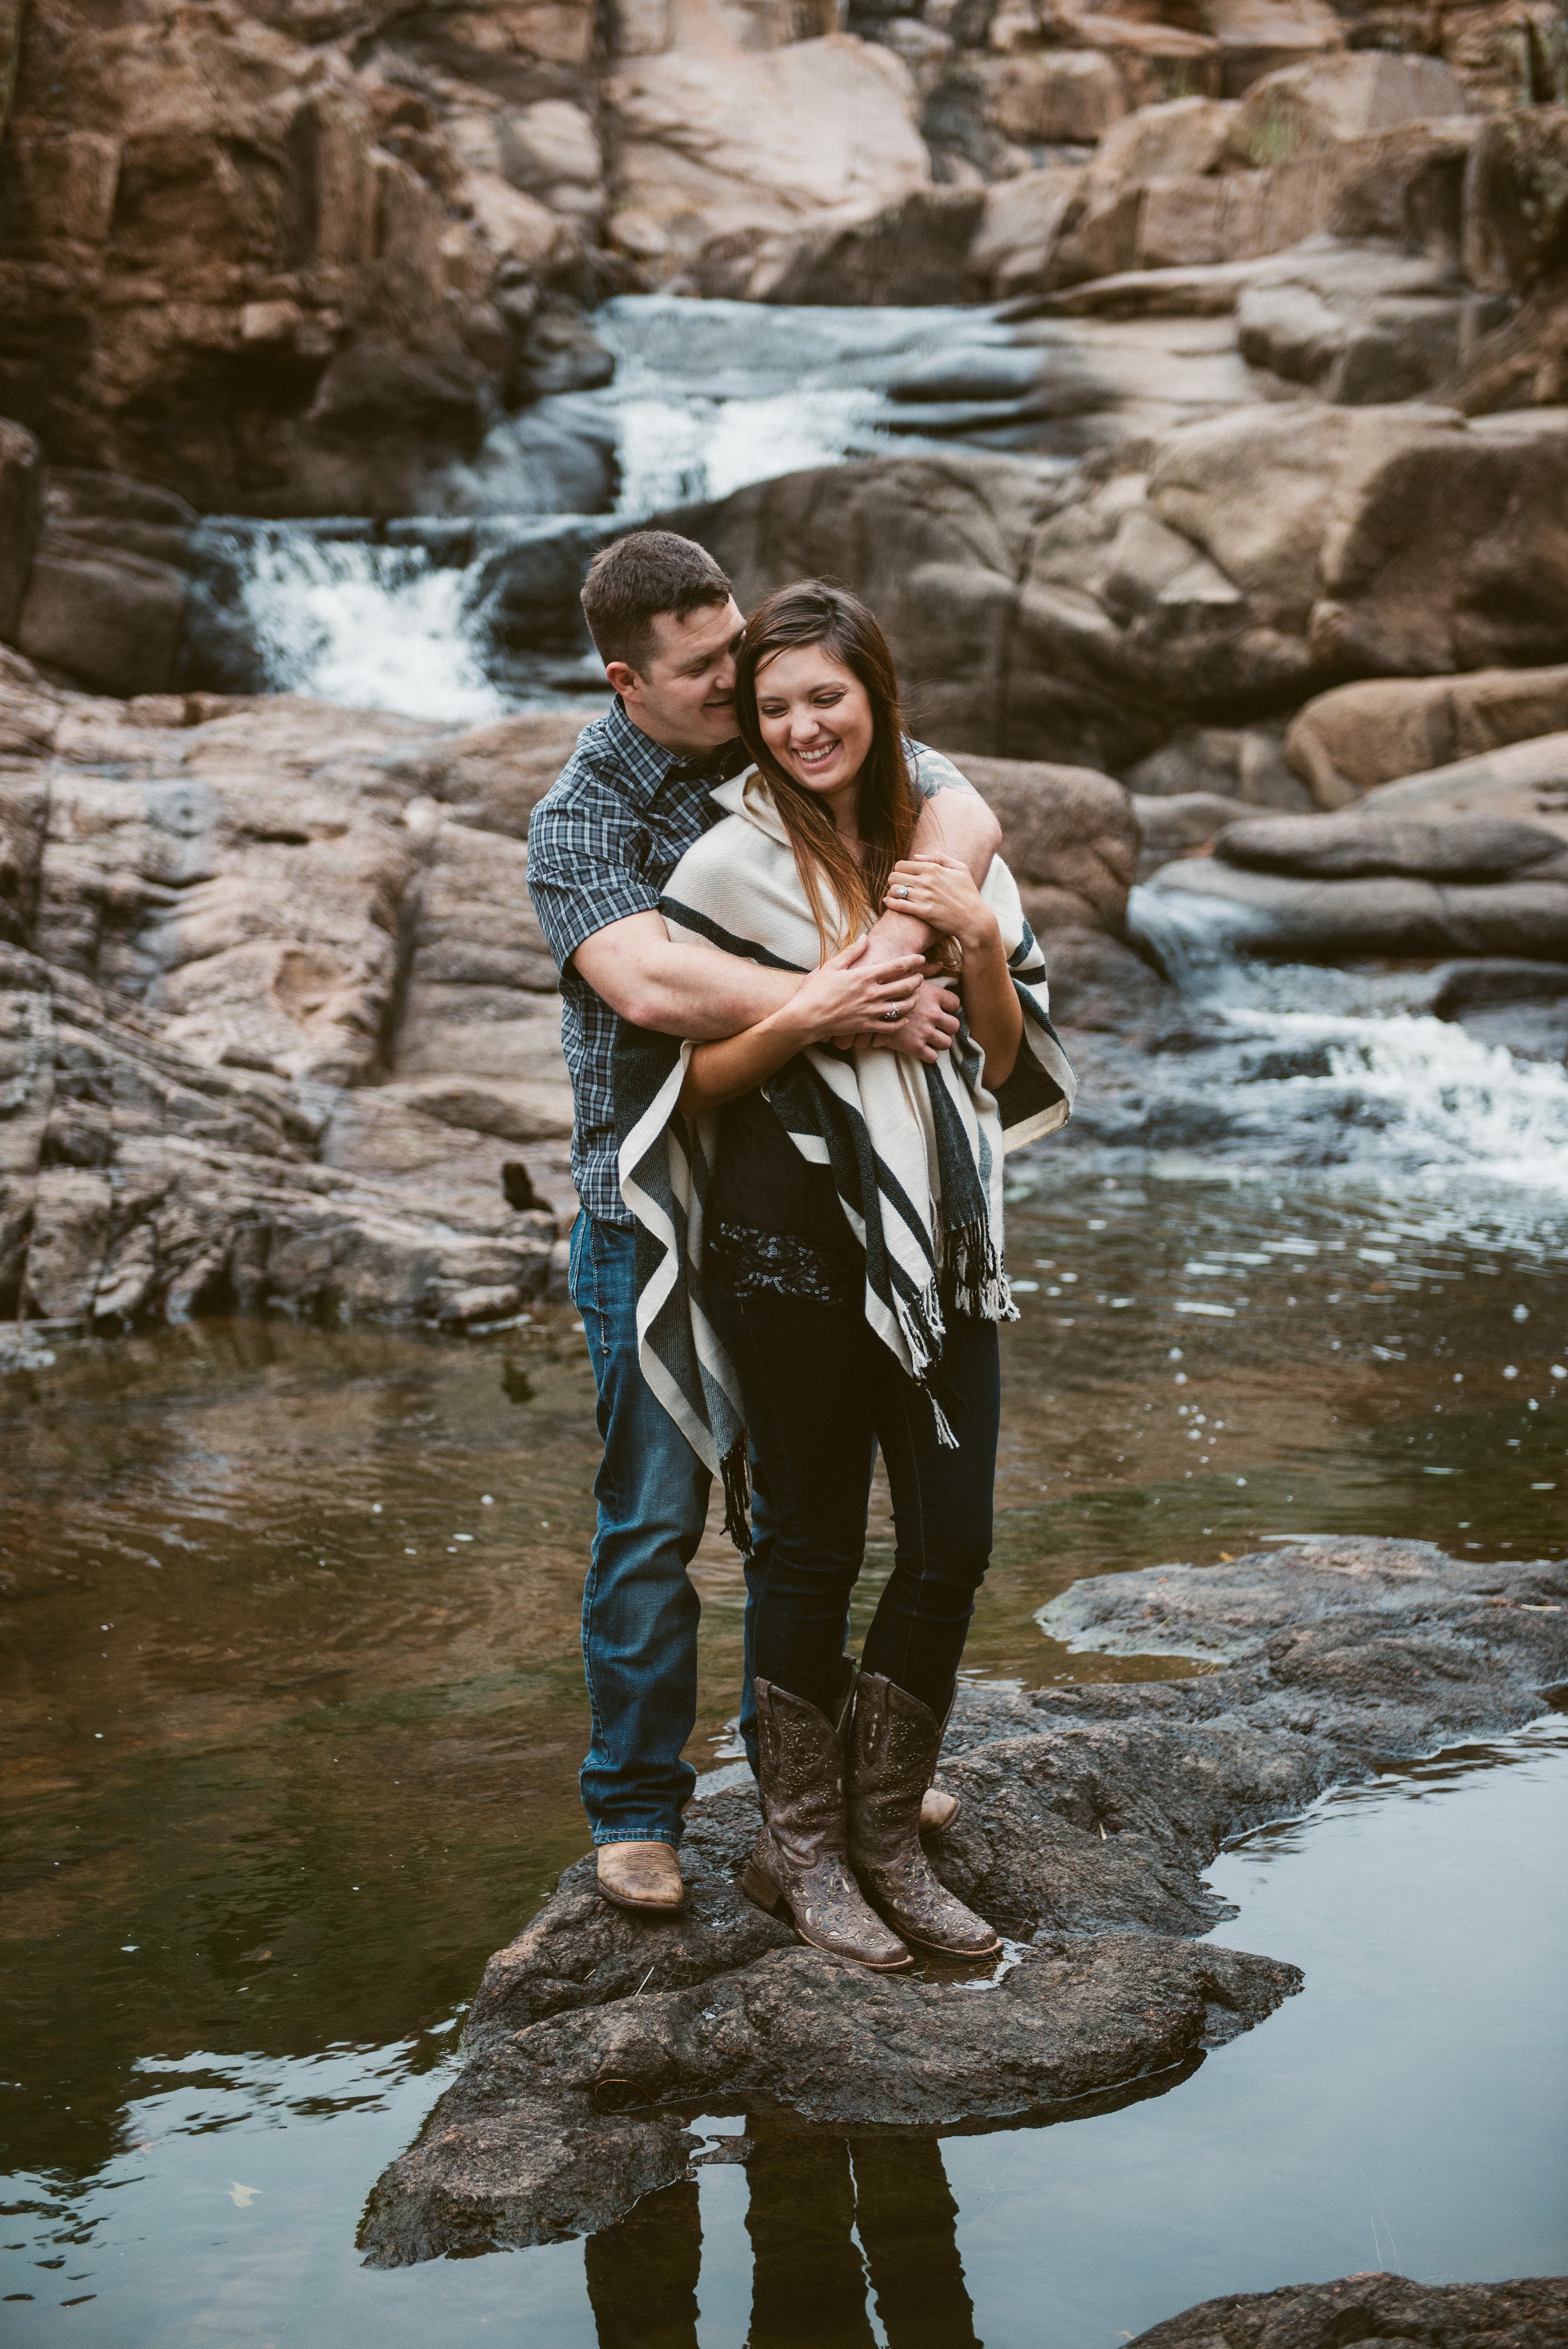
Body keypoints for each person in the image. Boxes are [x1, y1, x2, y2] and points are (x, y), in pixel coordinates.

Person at [526, 532, 1005, 1917]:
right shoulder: (582, 817)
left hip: (803, 1193)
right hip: (647, 1201)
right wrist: (841, 1001)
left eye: (739, 646)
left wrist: (905, 941)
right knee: (656, 1514)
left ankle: (819, 1776)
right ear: (626, 681)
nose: (741, 684)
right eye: (706, 670)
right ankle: (636, 1808)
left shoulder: (776, 731)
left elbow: (958, 807)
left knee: (801, 1513)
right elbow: (646, 987)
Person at [620, 581, 1075, 1969]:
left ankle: (884, 1840)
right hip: (781, 1248)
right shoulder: (721, 869)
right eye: (774, 708)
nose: (803, 726)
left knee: (952, 1547)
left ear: (877, 697)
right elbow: (686, 1088)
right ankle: (802, 1854)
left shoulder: (945, 857)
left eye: (827, 697)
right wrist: (831, 1013)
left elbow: (1001, 1063)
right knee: (811, 1545)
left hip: (941, 1247)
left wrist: (976, 941)